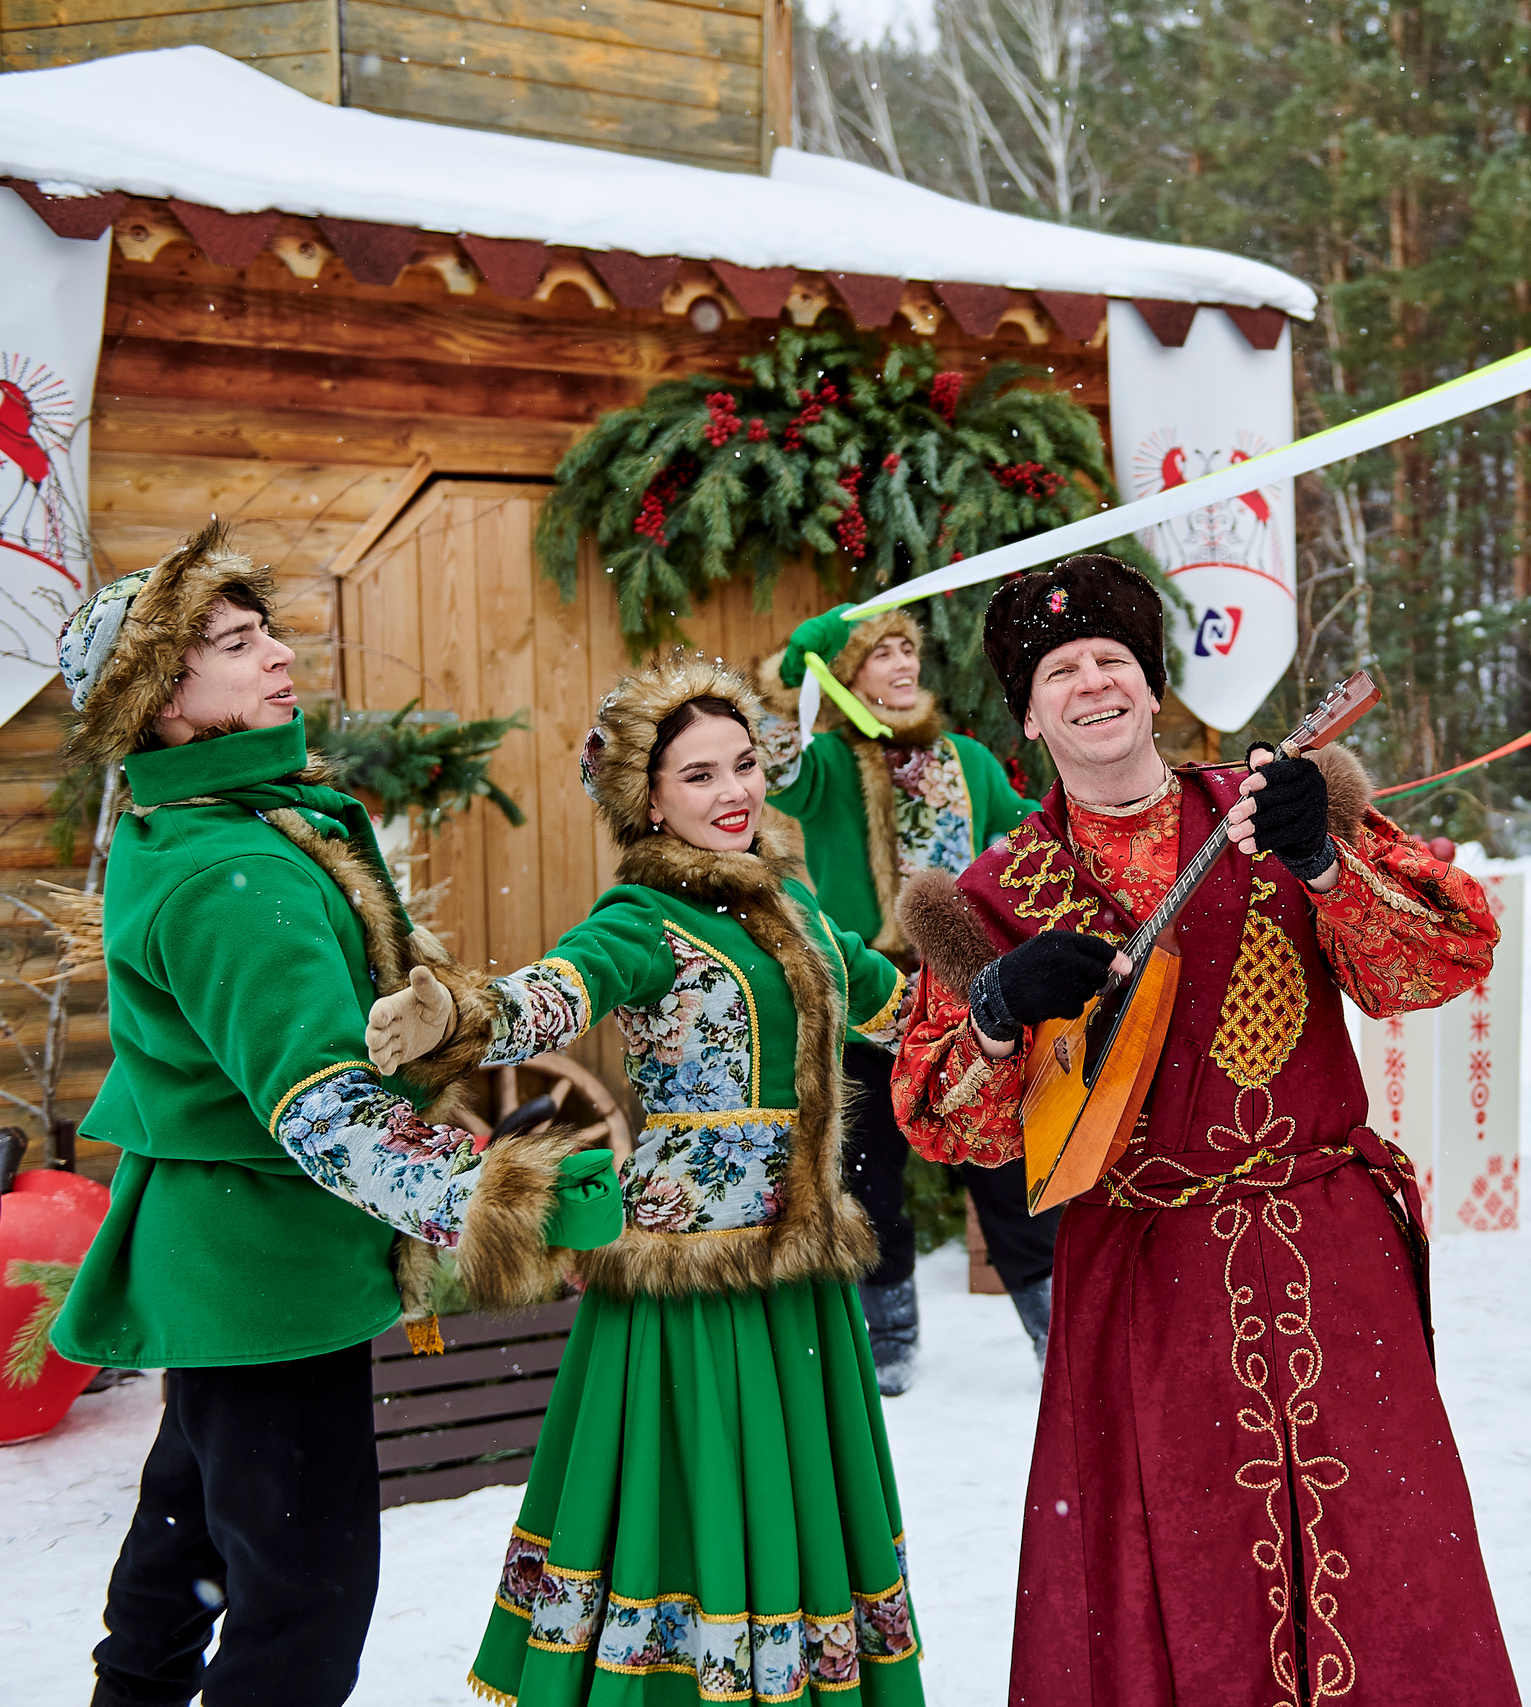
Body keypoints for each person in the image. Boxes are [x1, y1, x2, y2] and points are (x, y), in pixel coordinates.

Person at [890, 554, 1521, 1705]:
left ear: (1152, 684)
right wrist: (993, 1015)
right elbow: (947, 1128)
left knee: (1381, 1549)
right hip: (1143, 1274)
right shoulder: (992, 895)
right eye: (1059, 671)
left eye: (1112, 661)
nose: (1092, 684)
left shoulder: (1270, 807)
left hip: (1332, 1251)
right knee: (1180, 1562)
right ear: (1026, 716)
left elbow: (1446, 956)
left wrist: (1322, 860)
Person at [49, 523, 602, 1707]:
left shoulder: (210, 824)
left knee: (186, 1541)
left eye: (267, 633)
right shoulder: (227, 873)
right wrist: (499, 1200)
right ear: (164, 702)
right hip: (265, 1278)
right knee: (305, 1604)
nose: (278, 656)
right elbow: (324, 1109)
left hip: (225, 1261)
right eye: (237, 644)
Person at [365, 656, 924, 1703]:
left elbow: (902, 1003)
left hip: (798, 1271)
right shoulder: (642, 916)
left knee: (795, 1495)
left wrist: (1010, 1006)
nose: (734, 792)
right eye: (699, 775)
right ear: (651, 800)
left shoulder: (796, 907)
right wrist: (458, 1013)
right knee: (693, 1491)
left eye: (744, 764)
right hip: (690, 1273)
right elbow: (555, 992)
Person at [759, 605, 1052, 1391]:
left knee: (1005, 1168)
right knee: (868, 1174)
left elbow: (1028, 835)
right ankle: (888, 1338)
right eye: (880, 652)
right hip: (867, 999)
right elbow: (771, 760)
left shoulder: (967, 759)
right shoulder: (826, 766)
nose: (902, 663)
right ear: (848, 677)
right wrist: (794, 669)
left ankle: (1055, 1331)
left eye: (906, 648)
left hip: (966, 993)